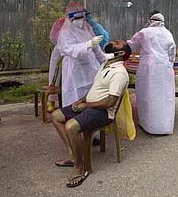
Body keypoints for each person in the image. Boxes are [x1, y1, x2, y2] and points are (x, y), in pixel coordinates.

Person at [51, 40, 131, 188]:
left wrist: (86, 105)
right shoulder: (105, 65)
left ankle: (80, 168)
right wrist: (81, 100)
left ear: (121, 53)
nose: (113, 41)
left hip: (103, 112)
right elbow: (95, 89)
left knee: (71, 126)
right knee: (56, 116)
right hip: (90, 105)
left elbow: (110, 102)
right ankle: (72, 156)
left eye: (117, 43)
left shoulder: (120, 73)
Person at [128, 12, 176, 135]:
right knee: (164, 97)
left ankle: (148, 124)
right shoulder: (168, 34)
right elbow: (172, 53)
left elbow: (130, 46)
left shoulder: (144, 32)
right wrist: (169, 64)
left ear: (150, 21)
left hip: (148, 68)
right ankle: (165, 125)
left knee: (147, 95)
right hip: (164, 68)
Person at [51, 2, 106, 108]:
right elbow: (69, 49)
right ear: (69, 18)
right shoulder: (65, 32)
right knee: (76, 97)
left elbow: (97, 50)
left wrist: (105, 59)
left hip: (91, 67)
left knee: (92, 94)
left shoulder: (87, 28)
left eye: (81, 17)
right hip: (74, 69)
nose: (79, 20)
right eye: (76, 18)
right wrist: (87, 45)